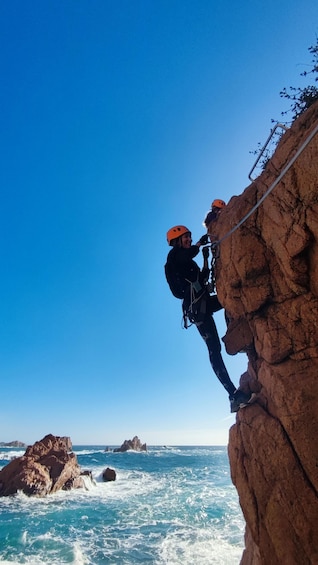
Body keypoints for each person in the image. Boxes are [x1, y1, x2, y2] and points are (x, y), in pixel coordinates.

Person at [165, 225, 252, 413]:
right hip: (197, 309)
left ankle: (235, 333)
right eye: (185, 237)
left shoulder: (188, 261)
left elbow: (201, 277)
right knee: (214, 349)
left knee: (229, 299)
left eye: (189, 237)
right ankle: (233, 395)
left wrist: (207, 258)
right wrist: (198, 245)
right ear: (176, 241)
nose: (188, 239)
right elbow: (184, 257)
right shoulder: (174, 256)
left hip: (202, 301)